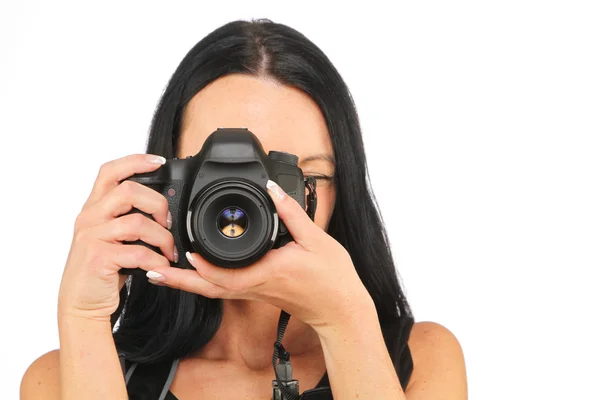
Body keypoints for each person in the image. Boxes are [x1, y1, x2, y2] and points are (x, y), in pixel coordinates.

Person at [20, 19, 467, 399]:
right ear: (167, 181)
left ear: (340, 189)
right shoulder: (59, 379)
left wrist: (345, 322)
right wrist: (82, 319)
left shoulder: (421, 360)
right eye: (218, 173)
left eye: (294, 177)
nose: (243, 204)